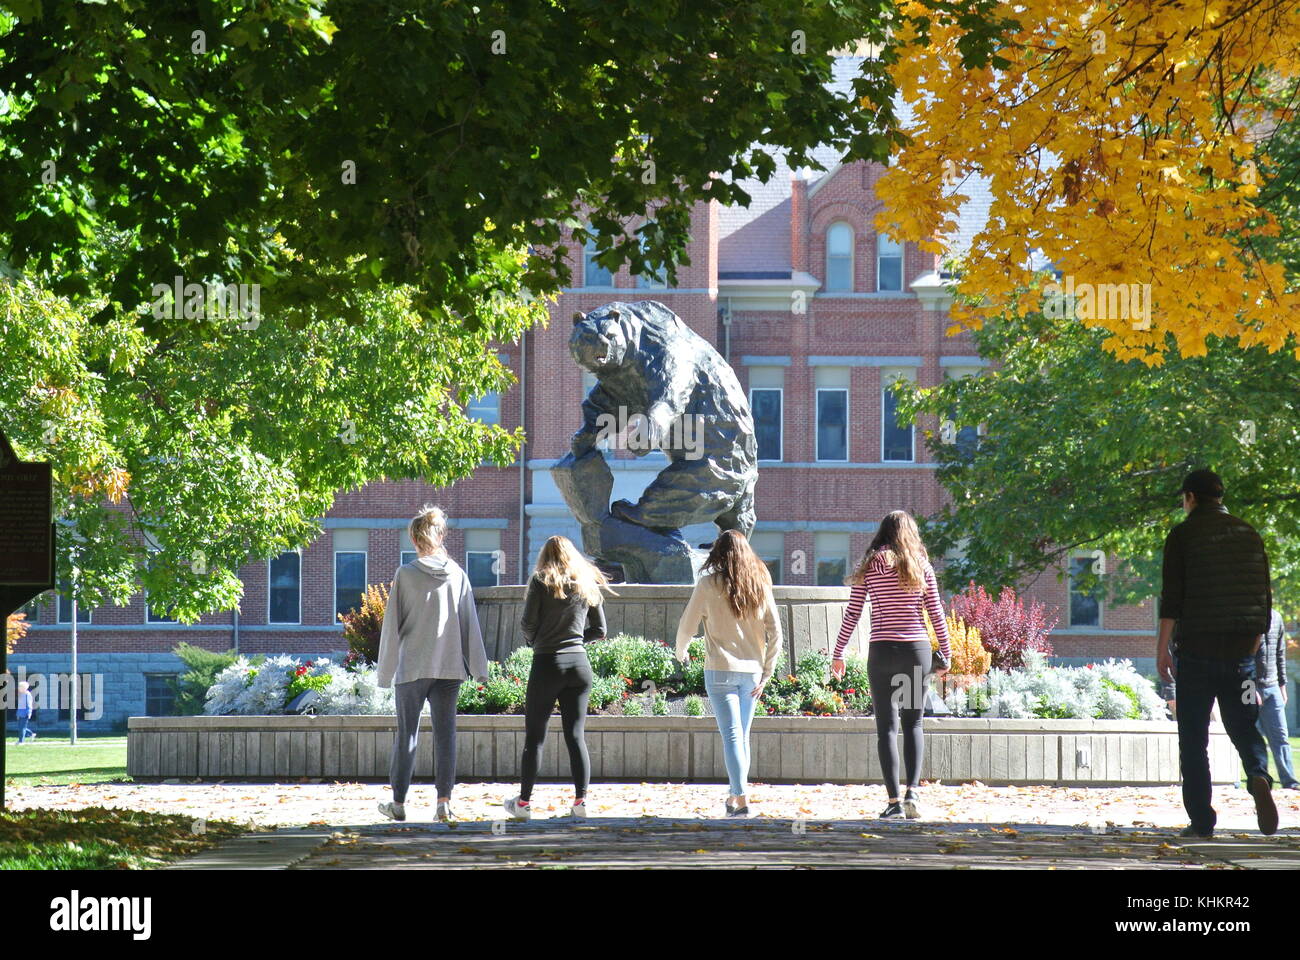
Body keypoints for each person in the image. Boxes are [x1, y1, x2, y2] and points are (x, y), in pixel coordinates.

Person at [1155, 469, 1278, 838]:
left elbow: (1172, 599)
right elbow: (1264, 596)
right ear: (1220, 497)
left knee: (1194, 738)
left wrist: (1162, 649)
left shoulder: (1182, 535)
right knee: (1244, 725)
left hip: (1196, 653)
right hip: (1241, 654)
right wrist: (1254, 644)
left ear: (1190, 497)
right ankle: (1257, 774)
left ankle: (1202, 822)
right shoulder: (1249, 534)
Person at [831, 510, 950, 820]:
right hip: (914, 651)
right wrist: (946, 653)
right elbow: (935, 612)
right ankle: (913, 792)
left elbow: (853, 613)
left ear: (882, 533)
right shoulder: (921, 566)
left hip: (882, 651)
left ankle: (893, 802)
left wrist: (838, 652)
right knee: (913, 723)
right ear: (910, 534)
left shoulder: (868, 566)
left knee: (886, 727)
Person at [376, 505, 489, 823]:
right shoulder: (458, 574)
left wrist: (385, 673)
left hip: (412, 667)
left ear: (414, 539)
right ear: (441, 536)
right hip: (450, 666)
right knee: (445, 735)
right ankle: (443, 804)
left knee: (407, 735)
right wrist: (480, 669)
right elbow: (470, 625)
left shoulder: (406, 575)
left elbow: (391, 627)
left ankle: (398, 803)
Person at [674, 530, 782, 818]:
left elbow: (687, 625)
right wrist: (767, 673)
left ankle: (742, 797)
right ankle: (735, 796)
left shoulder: (708, 584)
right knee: (741, 736)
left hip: (720, 669)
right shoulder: (760, 582)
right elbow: (776, 632)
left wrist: (680, 651)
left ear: (718, 553)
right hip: (752, 672)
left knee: (732, 736)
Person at [503, 536, 610, 821]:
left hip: (547, 663)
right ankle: (580, 802)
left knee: (535, 738)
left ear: (544, 556)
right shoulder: (587, 582)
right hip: (579, 666)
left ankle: (523, 805)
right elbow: (600, 629)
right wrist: (577, 640)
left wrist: (535, 641)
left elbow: (527, 623)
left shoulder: (541, 581)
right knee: (576, 736)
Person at [1254, 608, 1297, 789]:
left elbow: (1280, 653)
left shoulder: (1277, 617)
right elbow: (1244, 656)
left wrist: (1282, 686)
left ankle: (1289, 781)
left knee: (1280, 735)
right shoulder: (1249, 617)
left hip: (1272, 686)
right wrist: (1250, 685)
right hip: (1249, 686)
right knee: (1247, 736)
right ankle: (1254, 779)